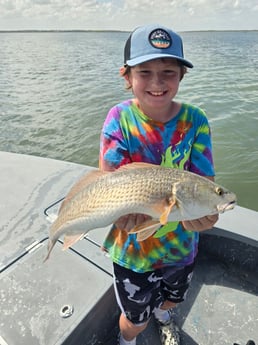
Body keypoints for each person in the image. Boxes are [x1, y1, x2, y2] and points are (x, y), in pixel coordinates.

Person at [99, 24, 218, 345]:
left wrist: (208, 212)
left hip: (181, 247)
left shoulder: (196, 120)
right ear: (127, 77)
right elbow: (109, 185)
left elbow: (204, 182)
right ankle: (129, 339)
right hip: (133, 252)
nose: (157, 81)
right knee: (135, 318)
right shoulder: (118, 119)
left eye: (168, 71)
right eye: (145, 71)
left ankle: (164, 315)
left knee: (172, 299)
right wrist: (120, 216)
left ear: (182, 76)